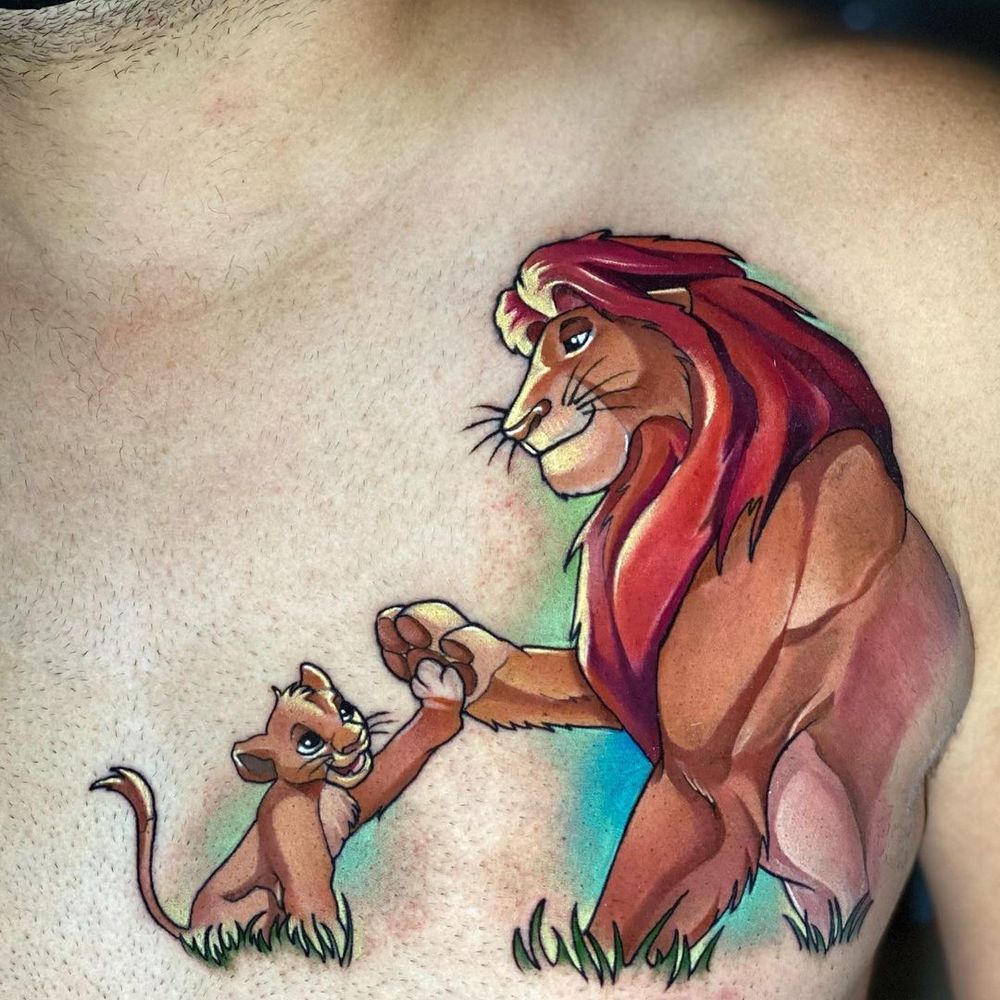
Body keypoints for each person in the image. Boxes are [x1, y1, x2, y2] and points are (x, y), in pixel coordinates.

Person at [0, 2, 996, 998]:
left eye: (569, 343)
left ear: (675, 321)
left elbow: (709, 747)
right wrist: (501, 674)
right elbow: (687, 694)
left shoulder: (916, 224)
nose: (523, 410)